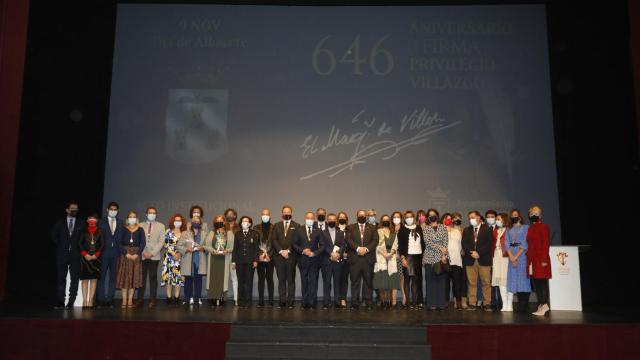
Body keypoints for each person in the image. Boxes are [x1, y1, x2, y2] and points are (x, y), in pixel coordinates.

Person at [51, 201, 83, 309]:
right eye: (73, 208)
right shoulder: (60, 222)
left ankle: (71, 301)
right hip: (62, 255)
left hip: (76, 255)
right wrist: (61, 246)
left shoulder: (81, 223)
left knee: (74, 279)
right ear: (67, 210)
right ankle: (60, 301)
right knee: (61, 278)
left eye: (76, 209)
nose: (75, 210)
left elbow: (84, 239)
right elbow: (53, 236)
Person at [346, 209, 379, 310]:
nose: (362, 216)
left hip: (368, 259)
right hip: (355, 259)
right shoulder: (350, 227)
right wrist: (358, 248)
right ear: (356, 216)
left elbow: (375, 240)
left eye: (364, 215)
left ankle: (368, 301)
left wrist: (366, 249)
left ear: (366, 217)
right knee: (355, 282)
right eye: (360, 215)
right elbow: (348, 239)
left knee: (368, 282)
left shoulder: (373, 228)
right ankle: (355, 303)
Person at [461, 210, 493, 311]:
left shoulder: (487, 229)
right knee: (471, 283)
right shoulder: (466, 230)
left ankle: (487, 303)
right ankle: (472, 303)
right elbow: (464, 244)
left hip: (483, 259)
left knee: (486, 283)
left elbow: (489, 244)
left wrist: (478, 253)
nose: (471, 220)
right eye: (470, 218)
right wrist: (472, 253)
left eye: (473, 217)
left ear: (479, 217)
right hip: (470, 260)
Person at [115, 211, 146, 308]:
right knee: (125, 278)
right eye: (130, 217)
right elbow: (119, 243)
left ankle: (130, 300)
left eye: (134, 217)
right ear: (127, 219)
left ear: (136, 219)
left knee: (133, 278)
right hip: (125, 255)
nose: (132, 218)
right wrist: (126, 253)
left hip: (136, 256)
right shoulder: (122, 229)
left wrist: (137, 253)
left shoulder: (140, 229)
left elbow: (142, 243)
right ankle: (124, 300)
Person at [97, 201, 125, 308]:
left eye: (115, 210)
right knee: (102, 277)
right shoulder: (101, 222)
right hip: (103, 253)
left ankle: (110, 300)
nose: (113, 211)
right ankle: (101, 299)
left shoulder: (121, 223)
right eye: (111, 209)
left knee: (113, 278)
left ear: (117, 211)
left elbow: (122, 239)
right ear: (107, 210)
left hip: (116, 253)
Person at [294, 211, 324, 309]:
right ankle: (304, 302)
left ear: (314, 219)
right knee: (304, 282)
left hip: (314, 260)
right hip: (303, 260)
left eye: (311, 218)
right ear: (305, 218)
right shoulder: (299, 230)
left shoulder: (318, 230)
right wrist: (303, 251)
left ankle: (312, 302)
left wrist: (314, 253)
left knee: (313, 282)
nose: (310, 219)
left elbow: (323, 245)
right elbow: (294, 244)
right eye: (308, 218)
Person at [271, 205, 299, 308]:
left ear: (292, 213)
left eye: (288, 212)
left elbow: (296, 241)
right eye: (284, 212)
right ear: (281, 213)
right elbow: (274, 240)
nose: (286, 213)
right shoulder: (276, 225)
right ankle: (282, 301)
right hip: (279, 257)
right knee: (281, 279)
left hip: (291, 256)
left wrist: (288, 251)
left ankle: (291, 301)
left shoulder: (297, 225)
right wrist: (281, 251)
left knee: (291, 280)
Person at [136, 207, 165, 308]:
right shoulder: (139, 225)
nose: (152, 214)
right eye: (150, 213)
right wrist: (143, 252)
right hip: (143, 255)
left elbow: (161, 241)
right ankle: (139, 299)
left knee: (153, 277)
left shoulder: (161, 226)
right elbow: (138, 240)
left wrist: (152, 253)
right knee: (141, 278)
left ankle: (153, 299)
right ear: (146, 214)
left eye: (154, 213)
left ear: (156, 215)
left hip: (154, 255)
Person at [527, 205, 552, 316]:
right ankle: (541, 305)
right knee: (536, 282)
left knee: (542, 282)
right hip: (532, 259)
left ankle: (544, 304)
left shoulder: (544, 227)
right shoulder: (530, 228)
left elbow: (546, 244)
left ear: (540, 215)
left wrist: (544, 259)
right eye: (532, 214)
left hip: (541, 258)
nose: (534, 216)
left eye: (536, 214)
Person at [422, 209, 449, 310]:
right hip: (429, 257)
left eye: (434, 215)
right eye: (430, 215)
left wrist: (444, 254)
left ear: (437, 216)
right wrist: (440, 247)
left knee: (441, 281)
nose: (432, 216)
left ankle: (441, 303)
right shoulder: (426, 228)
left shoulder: (443, 227)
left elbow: (445, 241)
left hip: (442, 257)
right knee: (430, 281)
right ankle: (431, 303)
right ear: (428, 217)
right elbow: (428, 242)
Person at [505, 209, 531, 312]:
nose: (514, 217)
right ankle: (519, 305)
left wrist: (516, 257)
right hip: (511, 255)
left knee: (523, 279)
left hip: (522, 255)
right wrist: (511, 256)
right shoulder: (508, 229)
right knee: (513, 279)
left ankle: (523, 304)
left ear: (519, 216)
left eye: (515, 215)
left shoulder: (526, 228)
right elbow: (506, 243)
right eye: (512, 216)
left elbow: (525, 243)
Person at [204, 215, 234, 306]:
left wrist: (227, 250)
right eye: (217, 221)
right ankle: (212, 298)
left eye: (221, 221)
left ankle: (221, 298)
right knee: (213, 278)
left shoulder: (229, 233)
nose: (219, 222)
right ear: (214, 223)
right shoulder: (211, 233)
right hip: (213, 258)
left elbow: (232, 247)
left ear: (225, 222)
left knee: (222, 279)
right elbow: (206, 245)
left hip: (224, 259)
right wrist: (213, 250)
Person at [178, 215, 207, 306]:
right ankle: (187, 298)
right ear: (191, 223)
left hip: (199, 260)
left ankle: (197, 298)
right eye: (194, 221)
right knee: (188, 280)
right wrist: (186, 249)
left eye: (198, 221)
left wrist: (203, 248)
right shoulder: (185, 233)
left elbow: (208, 247)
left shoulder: (204, 234)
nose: (196, 222)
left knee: (198, 280)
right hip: (188, 260)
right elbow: (179, 246)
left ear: (200, 223)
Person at [397, 211, 423, 309]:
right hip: (408, 257)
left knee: (416, 280)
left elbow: (422, 243)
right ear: (404, 219)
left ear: (413, 218)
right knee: (407, 280)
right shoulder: (402, 229)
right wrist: (403, 258)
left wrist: (423, 255)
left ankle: (414, 302)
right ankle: (408, 302)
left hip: (418, 257)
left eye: (411, 217)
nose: (409, 219)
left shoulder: (419, 228)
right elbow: (401, 245)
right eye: (407, 217)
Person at [231, 216, 259, 308]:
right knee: (240, 282)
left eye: (247, 221)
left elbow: (256, 249)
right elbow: (235, 249)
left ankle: (248, 302)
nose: (245, 222)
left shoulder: (255, 234)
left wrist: (256, 260)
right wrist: (233, 261)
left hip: (250, 262)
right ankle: (240, 301)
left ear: (250, 224)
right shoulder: (237, 234)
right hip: (239, 262)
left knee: (248, 282)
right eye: (243, 221)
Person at [320, 213, 346, 309]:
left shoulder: (341, 232)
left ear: (336, 221)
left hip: (338, 260)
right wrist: (331, 254)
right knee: (327, 282)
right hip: (327, 260)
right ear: (327, 221)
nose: (332, 221)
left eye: (333, 219)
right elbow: (323, 245)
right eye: (330, 219)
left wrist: (338, 254)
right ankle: (326, 302)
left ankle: (337, 301)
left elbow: (343, 245)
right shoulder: (322, 232)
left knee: (337, 282)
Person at [373, 214, 400, 309]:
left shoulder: (393, 232)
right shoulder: (378, 231)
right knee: (381, 282)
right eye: (384, 220)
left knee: (389, 282)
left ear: (390, 221)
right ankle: (383, 301)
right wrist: (384, 254)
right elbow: (376, 245)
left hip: (391, 259)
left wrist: (391, 253)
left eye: (387, 220)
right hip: (381, 258)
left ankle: (388, 301)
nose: (386, 221)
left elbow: (395, 245)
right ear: (381, 221)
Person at [78, 215, 103, 308]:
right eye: (90, 218)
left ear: (96, 220)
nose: (92, 220)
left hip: (96, 259)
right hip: (85, 258)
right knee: (84, 280)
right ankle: (84, 300)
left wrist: (96, 255)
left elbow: (102, 245)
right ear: (87, 220)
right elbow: (79, 243)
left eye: (94, 219)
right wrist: (85, 254)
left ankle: (90, 301)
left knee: (93, 280)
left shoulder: (100, 231)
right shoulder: (83, 231)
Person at [161, 214, 185, 305]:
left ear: (182, 222)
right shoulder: (168, 231)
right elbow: (165, 245)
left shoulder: (184, 233)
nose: (177, 222)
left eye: (179, 220)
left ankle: (176, 297)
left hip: (180, 258)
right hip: (169, 258)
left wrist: (179, 253)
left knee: (178, 279)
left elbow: (186, 246)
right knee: (169, 279)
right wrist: (173, 253)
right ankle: (168, 297)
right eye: (176, 220)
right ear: (173, 221)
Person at [253, 208, 275, 307]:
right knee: (261, 279)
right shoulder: (256, 227)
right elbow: (255, 244)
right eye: (263, 214)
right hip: (260, 258)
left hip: (271, 258)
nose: (265, 216)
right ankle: (261, 301)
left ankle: (271, 301)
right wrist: (260, 255)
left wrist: (269, 255)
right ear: (261, 215)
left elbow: (275, 243)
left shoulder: (274, 227)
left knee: (270, 279)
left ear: (270, 216)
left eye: (267, 214)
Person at [446, 212, 465, 310]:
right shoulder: (444, 230)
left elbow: (463, 247)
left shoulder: (461, 231)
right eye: (454, 219)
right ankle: (446, 302)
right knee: (445, 284)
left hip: (457, 260)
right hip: (446, 260)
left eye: (458, 219)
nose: (455, 220)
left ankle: (458, 303)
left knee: (457, 284)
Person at [492, 213, 510, 312]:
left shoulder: (509, 231)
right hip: (497, 257)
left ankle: (509, 304)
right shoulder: (495, 232)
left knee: (507, 280)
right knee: (500, 281)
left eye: (498, 219)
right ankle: (504, 304)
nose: (497, 221)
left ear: (504, 220)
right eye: (497, 219)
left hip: (506, 257)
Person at [390, 211, 406, 308]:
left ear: (401, 218)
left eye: (398, 217)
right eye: (394, 217)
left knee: (401, 279)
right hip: (391, 258)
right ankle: (394, 301)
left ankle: (404, 299)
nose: (396, 219)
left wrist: (401, 254)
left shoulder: (404, 229)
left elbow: (405, 244)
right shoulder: (390, 229)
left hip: (401, 257)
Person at [224, 208, 239, 306]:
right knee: (223, 277)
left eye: (231, 214)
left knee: (234, 277)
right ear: (225, 216)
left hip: (234, 255)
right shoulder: (222, 227)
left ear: (234, 216)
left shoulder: (238, 228)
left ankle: (236, 298)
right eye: (228, 214)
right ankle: (221, 298)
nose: (230, 216)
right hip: (223, 255)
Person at [337, 211, 350, 308]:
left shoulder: (350, 230)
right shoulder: (335, 229)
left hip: (348, 259)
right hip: (337, 258)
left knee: (345, 280)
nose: (342, 218)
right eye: (340, 217)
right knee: (338, 279)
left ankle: (343, 298)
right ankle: (337, 298)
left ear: (346, 219)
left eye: (343, 217)